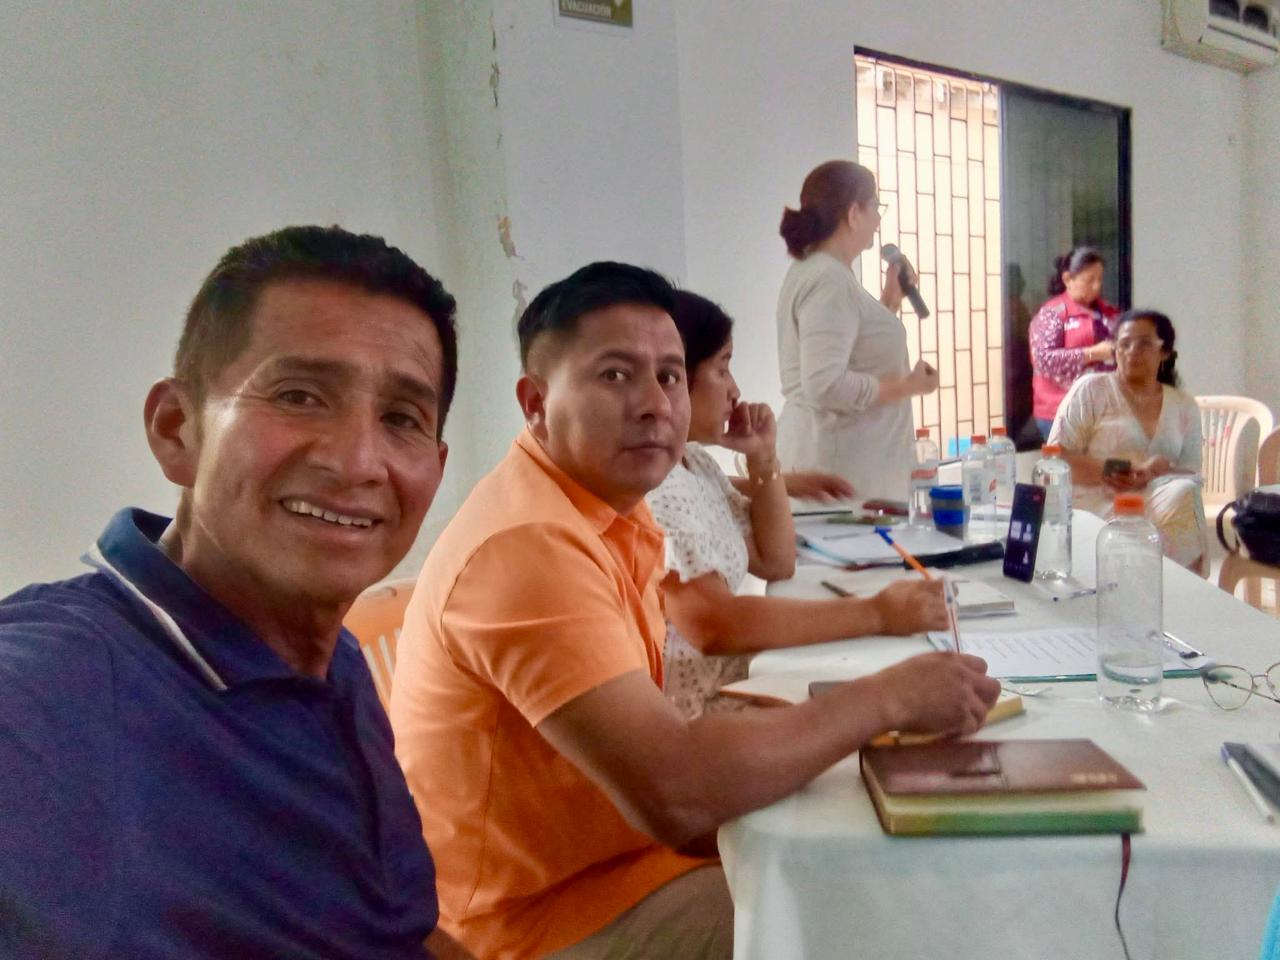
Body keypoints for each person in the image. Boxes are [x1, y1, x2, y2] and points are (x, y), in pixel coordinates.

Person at [391, 261, 1001, 960]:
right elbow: (675, 793)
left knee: (874, 835)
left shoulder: (609, 504)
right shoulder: (528, 544)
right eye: (615, 375)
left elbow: (770, 569)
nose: (655, 404)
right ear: (535, 402)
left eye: (671, 376)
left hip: (618, 853)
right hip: (542, 917)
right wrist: (886, 698)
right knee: (868, 908)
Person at [0, 226, 471, 959]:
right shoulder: (60, 690)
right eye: (299, 396)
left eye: (400, 418)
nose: (356, 461)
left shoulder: (333, 659)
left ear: (435, 469)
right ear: (176, 429)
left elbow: (392, 929)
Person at [648, 289, 948, 718]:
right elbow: (714, 625)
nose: (735, 390)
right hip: (696, 720)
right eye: (722, 368)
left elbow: (776, 562)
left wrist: (763, 458)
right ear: (672, 378)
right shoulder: (659, 486)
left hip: (733, 689)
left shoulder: (694, 464)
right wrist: (877, 613)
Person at [775, 159, 939, 501]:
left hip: (843, 468)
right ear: (853, 213)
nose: (878, 220)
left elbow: (854, 349)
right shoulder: (829, 279)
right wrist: (908, 385)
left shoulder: (822, 273)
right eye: (875, 206)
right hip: (838, 475)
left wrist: (889, 301)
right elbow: (825, 384)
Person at [1049, 309, 1209, 574]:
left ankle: (1174, 584)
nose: (1132, 351)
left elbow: (1192, 473)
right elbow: (1055, 459)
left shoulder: (1184, 404)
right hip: (1097, 506)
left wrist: (1154, 472)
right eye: (1124, 344)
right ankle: (1161, 581)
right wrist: (1121, 469)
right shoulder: (1091, 390)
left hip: (1158, 503)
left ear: (1165, 352)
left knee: (1185, 493)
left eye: (1144, 344)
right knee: (1172, 514)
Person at [1029, 245, 1122, 439]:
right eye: (1089, 280)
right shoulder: (1053, 314)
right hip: (1061, 411)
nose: (1097, 286)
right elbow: (1042, 359)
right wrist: (1092, 353)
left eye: (1100, 279)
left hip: (1103, 408)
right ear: (1067, 279)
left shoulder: (1109, 312)